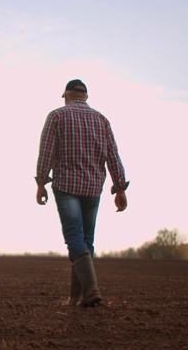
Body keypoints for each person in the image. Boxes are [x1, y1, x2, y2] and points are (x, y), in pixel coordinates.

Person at [35, 79, 129, 307]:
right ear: (86, 97)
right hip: (93, 188)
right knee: (86, 239)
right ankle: (76, 298)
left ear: (66, 96)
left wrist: (41, 183)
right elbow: (113, 156)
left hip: (66, 186)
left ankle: (91, 289)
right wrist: (119, 188)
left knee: (73, 236)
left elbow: (46, 151)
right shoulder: (102, 120)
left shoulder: (56, 116)